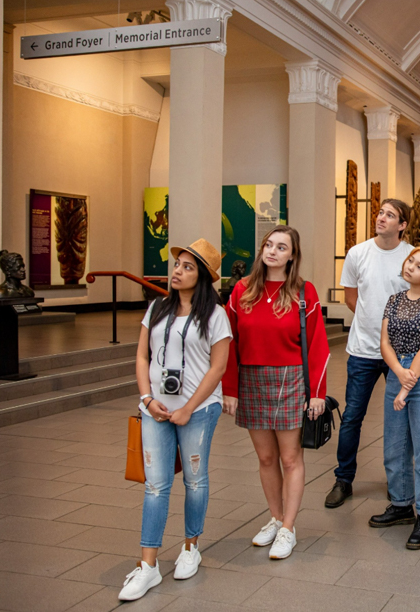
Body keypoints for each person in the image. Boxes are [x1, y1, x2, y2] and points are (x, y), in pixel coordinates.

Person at [119, 240, 231, 601]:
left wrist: (188, 407)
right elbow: (141, 356)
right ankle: (148, 566)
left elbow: (218, 367)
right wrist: (146, 398)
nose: (177, 271)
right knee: (155, 485)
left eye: (187, 267)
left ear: (202, 277)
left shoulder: (215, 314)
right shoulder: (156, 309)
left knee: (195, 481)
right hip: (156, 409)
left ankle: (190, 547)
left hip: (198, 410)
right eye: (177, 264)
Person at [223, 226, 331, 560]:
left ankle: (288, 527)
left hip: (291, 380)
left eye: (281, 247)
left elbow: (318, 345)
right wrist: (228, 388)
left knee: (290, 457)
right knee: (266, 458)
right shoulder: (242, 290)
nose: (272, 251)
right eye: (268, 245)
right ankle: (275, 516)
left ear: (292, 255)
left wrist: (317, 392)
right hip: (251, 379)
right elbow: (228, 342)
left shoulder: (303, 292)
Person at [326, 200, 413, 508]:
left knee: (400, 418)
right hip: (362, 349)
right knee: (352, 416)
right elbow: (352, 297)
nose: (381, 218)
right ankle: (343, 479)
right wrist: (372, 325)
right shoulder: (357, 253)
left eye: (389, 215)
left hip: (400, 353)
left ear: (402, 225)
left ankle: (399, 479)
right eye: (380, 212)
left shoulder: (412, 256)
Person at [368, 246, 420, 550]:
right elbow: (384, 342)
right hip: (397, 371)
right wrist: (397, 373)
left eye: (419, 266)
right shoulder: (395, 299)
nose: (410, 267)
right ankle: (401, 505)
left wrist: (406, 383)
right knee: (395, 446)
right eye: (411, 261)